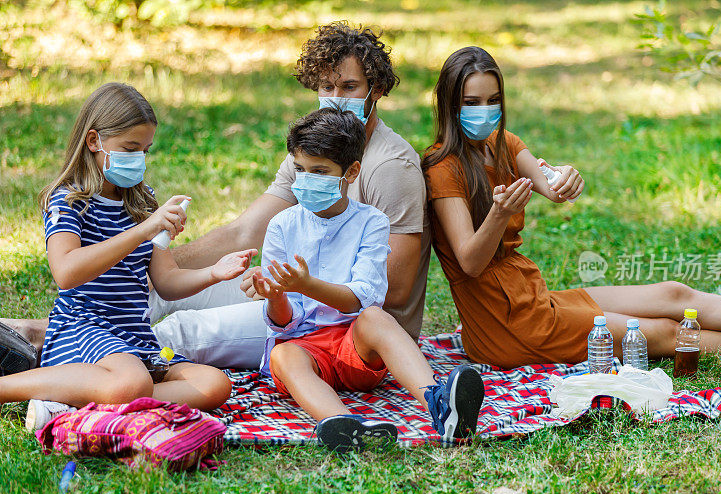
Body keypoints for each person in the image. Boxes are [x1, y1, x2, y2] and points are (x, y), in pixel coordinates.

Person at [1, 22, 429, 370]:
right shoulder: (315, 152)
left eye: (349, 88)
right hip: (292, 297)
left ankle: (53, 361)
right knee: (149, 292)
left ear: (376, 90)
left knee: (178, 332)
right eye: (326, 87)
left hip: (342, 326)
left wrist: (291, 286)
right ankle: (47, 333)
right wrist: (150, 265)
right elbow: (245, 230)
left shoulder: (390, 167)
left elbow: (391, 290)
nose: (335, 100)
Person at [422, 46, 721, 369]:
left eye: (493, 101)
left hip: (531, 296)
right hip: (503, 326)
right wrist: (499, 214)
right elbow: (470, 262)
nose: (484, 112)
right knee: (665, 333)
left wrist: (565, 178)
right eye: (471, 103)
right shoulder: (443, 168)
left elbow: (551, 185)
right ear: (449, 104)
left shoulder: (502, 143)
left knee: (674, 293)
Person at [0, 83, 257, 430]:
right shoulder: (70, 201)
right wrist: (142, 231)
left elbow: (165, 283)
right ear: (94, 142)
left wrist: (214, 272)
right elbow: (66, 272)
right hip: (82, 328)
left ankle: (80, 405)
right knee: (132, 383)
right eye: (130, 148)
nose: (138, 159)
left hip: (133, 335)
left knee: (214, 385)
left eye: (145, 150)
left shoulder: (141, 200)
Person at [252, 107, 483, 452]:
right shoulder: (282, 225)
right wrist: (275, 298)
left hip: (354, 347)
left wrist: (305, 285)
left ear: (352, 171)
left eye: (319, 171)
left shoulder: (371, 222)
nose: (306, 180)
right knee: (283, 357)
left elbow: (362, 298)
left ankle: (440, 405)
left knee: (375, 317)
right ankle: (346, 426)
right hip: (305, 348)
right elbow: (284, 325)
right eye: (299, 170)